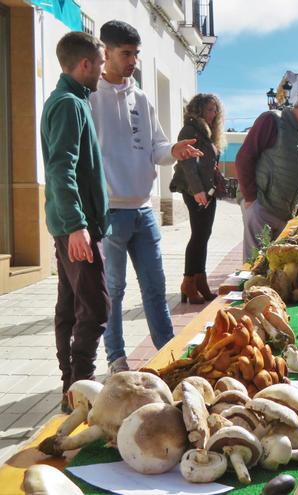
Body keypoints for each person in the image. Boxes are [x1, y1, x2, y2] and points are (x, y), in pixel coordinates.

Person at [90, 20, 202, 374]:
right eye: (126, 54)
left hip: (144, 211)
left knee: (155, 289)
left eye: (136, 54)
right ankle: (117, 361)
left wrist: (175, 150)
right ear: (104, 52)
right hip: (110, 215)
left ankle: (169, 355)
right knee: (114, 293)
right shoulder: (89, 97)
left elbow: (157, 148)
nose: (132, 61)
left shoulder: (141, 97)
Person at [42, 32, 108, 411]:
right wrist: (76, 225)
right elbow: (60, 168)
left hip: (71, 225)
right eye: (100, 63)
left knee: (70, 307)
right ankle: (82, 390)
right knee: (95, 308)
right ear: (85, 64)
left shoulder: (69, 101)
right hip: (75, 228)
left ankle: (72, 391)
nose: (102, 70)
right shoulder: (69, 104)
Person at [235, 87, 298, 260]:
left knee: (272, 269)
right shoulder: (271, 120)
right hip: (262, 207)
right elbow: (244, 157)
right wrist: (251, 199)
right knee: (254, 266)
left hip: (283, 213)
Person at [169, 93, 227, 304]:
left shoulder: (207, 132)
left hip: (206, 189)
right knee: (198, 234)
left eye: (215, 110)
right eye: (210, 109)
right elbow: (187, 164)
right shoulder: (190, 130)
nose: (214, 114)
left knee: (203, 234)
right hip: (194, 189)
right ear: (199, 109)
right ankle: (188, 282)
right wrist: (197, 190)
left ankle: (199, 280)